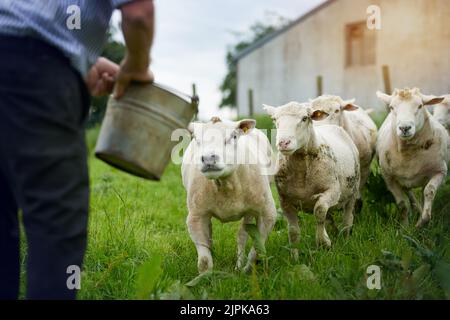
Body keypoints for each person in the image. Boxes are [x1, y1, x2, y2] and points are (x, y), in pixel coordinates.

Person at [0, 0, 155, 299]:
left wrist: (84, 61)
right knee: (54, 225)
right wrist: (136, 67)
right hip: (37, 78)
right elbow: (139, 14)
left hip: (30, 59)